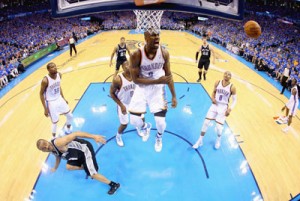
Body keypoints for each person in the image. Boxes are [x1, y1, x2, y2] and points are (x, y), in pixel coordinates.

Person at [129, 29, 177, 152]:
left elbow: (168, 76)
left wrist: (174, 96)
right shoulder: (136, 55)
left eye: (158, 35)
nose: (156, 37)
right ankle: (145, 127)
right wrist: (157, 81)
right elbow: (135, 80)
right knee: (134, 121)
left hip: (157, 90)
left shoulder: (164, 53)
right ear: (145, 37)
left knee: (160, 122)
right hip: (141, 88)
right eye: (153, 35)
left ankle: (159, 137)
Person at [36, 131, 120, 195]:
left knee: (93, 174)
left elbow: (76, 133)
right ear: (43, 151)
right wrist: (55, 167)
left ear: (47, 141)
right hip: (76, 153)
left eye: (46, 144)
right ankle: (86, 166)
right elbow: (57, 156)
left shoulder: (58, 143)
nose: (47, 147)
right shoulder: (51, 150)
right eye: (44, 148)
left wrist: (94, 136)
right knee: (69, 167)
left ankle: (113, 184)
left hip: (84, 149)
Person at [193, 71, 237, 149]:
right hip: (215, 105)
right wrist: (213, 98)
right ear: (223, 75)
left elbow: (235, 101)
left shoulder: (232, 87)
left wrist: (230, 109)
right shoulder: (217, 82)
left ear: (231, 77)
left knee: (219, 128)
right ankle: (200, 140)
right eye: (225, 74)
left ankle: (218, 139)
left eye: (229, 75)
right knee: (206, 123)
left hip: (223, 107)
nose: (226, 75)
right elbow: (213, 92)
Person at [110, 61, 144, 146]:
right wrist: (121, 106)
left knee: (141, 120)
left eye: (130, 65)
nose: (129, 67)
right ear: (123, 68)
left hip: (135, 103)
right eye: (126, 66)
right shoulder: (117, 79)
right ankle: (118, 136)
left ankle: (139, 128)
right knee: (124, 124)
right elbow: (112, 93)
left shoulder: (137, 75)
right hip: (123, 104)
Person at [39, 62, 73, 137]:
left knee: (70, 116)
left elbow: (58, 86)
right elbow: (41, 94)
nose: (55, 68)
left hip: (59, 99)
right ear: (48, 70)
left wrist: (63, 98)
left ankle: (68, 129)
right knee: (55, 122)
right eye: (52, 67)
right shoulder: (45, 80)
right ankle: (53, 137)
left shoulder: (59, 75)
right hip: (51, 102)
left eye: (55, 66)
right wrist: (45, 109)